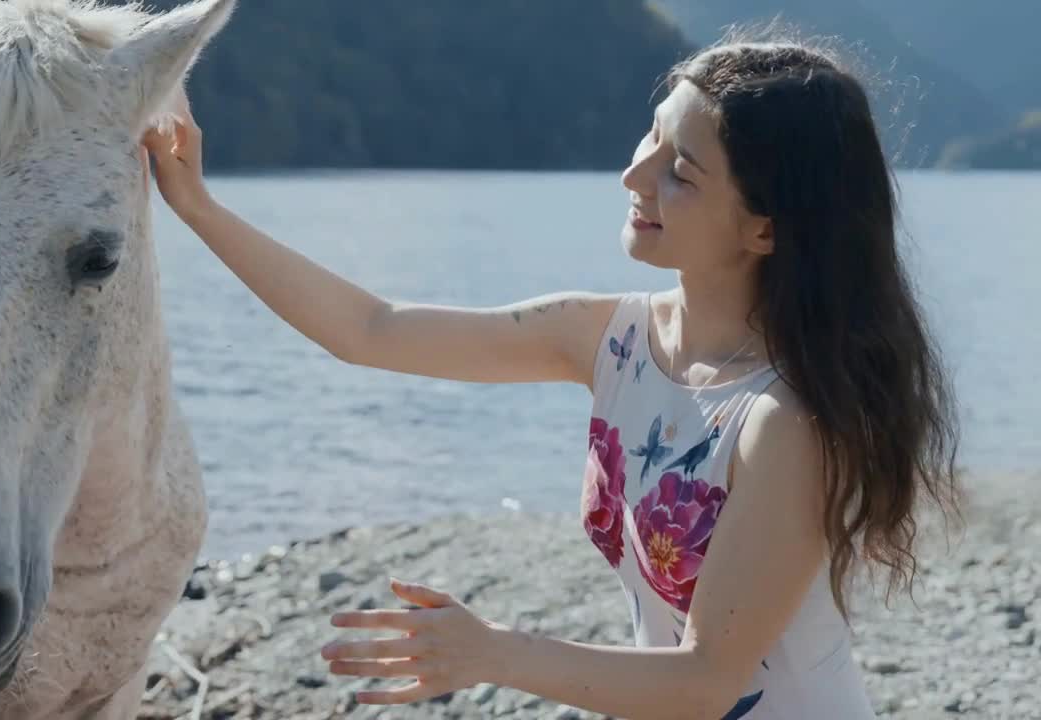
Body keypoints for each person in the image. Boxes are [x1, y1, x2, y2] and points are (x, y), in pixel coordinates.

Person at [141, 33, 960, 720]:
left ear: (766, 229)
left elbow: (708, 680)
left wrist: (492, 652)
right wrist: (199, 209)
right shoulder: (613, 337)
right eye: (651, 138)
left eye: (683, 171)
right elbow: (371, 331)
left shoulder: (784, 421)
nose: (636, 177)